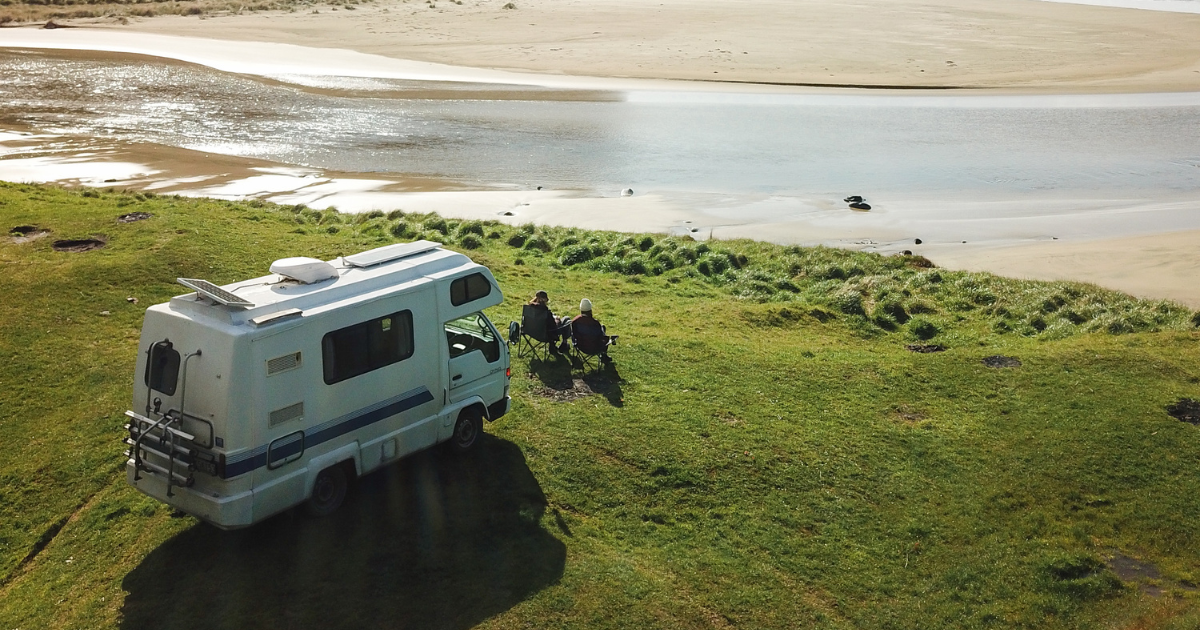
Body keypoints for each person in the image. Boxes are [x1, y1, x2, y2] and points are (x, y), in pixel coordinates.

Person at [570, 298, 616, 363]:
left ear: (581, 310)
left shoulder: (575, 321)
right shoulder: (595, 323)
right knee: (603, 328)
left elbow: (574, 335)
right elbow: (600, 337)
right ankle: (604, 355)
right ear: (590, 310)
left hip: (580, 346)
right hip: (595, 348)